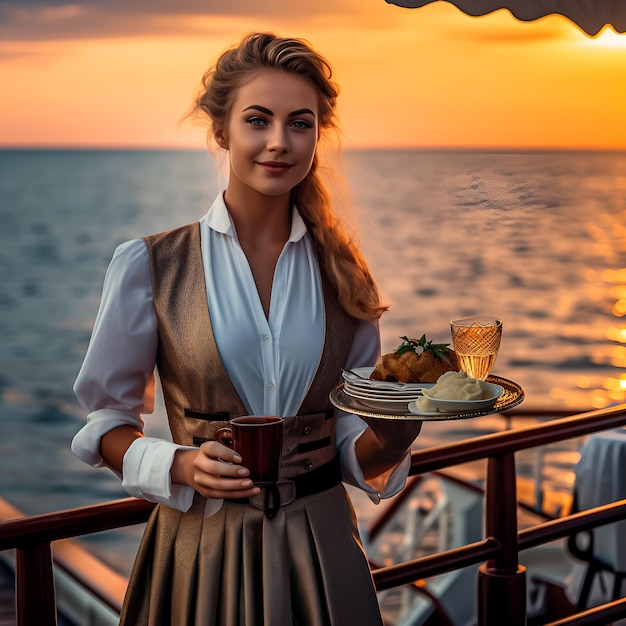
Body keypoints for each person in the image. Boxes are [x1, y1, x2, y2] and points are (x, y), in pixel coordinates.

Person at [71, 32, 423, 626]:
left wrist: (395, 435)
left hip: (323, 550)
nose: (279, 142)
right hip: (199, 551)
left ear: (318, 136)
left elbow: (350, 441)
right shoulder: (149, 264)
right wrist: (178, 465)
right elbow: (106, 424)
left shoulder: (344, 274)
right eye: (258, 120)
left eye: (300, 124)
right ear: (221, 130)